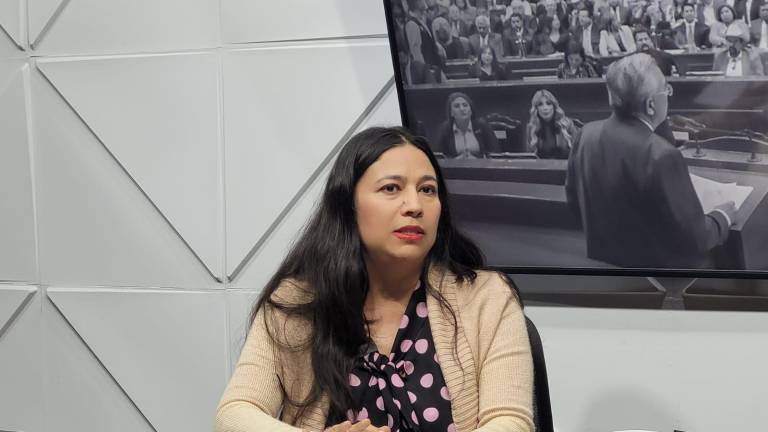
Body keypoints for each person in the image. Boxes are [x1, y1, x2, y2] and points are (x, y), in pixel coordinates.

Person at [215, 127, 534, 432]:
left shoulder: (487, 297)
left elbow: (511, 421)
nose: (414, 206)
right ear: (348, 205)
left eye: (427, 190)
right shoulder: (298, 302)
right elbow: (234, 415)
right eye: (391, 188)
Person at [565, 53, 736, 269]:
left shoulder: (585, 134)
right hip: (658, 276)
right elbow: (696, 238)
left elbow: (573, 201)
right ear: (651, 105)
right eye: (666, 89)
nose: (669, 94)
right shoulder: (661, 155)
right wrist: (722, 216)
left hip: (604, 264)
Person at [434, 92, 501, 157]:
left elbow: (495, 152)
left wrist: (478, 160)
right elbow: (439, 156)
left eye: (465, 105)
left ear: (471, 110)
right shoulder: (445, 129)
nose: (462, 109)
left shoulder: (482, 125)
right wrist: (456, 160)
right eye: (457, 106)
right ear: (451, 113)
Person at [526, 89, 579, 159]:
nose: (545, 108)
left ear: (554, 106)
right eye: (540, 105)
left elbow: (577, 151)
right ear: (536, 109)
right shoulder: (531, 128)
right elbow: (529, 157)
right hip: (541, 165)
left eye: (548, 103)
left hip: (564, 164)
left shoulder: (567, 124)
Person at [405, 0, 447, 82]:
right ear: (416, 3)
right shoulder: (412, 24)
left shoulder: (421, 21)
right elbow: (416, 53)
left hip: (433, 68)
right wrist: (426, 72)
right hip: (427, 72)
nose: (425, 2)